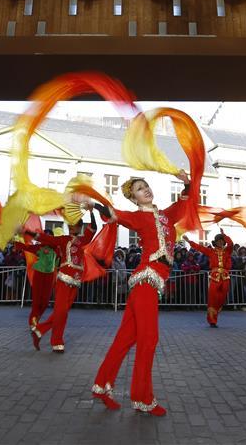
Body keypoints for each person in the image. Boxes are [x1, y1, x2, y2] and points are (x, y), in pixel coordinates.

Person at [91, 171, 190, 416]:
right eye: (139, 189)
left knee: (126, 339)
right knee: (149, 339)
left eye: (146, 186)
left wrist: (186, 181)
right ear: (134, 198)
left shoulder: (166, 215)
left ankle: (102, 386)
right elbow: (114, 214)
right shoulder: (137, 217)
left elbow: (186, 200)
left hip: (150, 284)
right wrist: (92, 203)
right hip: (146, 280)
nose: (145, 189)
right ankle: (143, 397)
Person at [29, 209, 98, 352]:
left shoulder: (83, 240)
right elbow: (42, 238)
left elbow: (94, 228)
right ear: (69, 227)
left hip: (76, 280)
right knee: (60, 311)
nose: (74, 228)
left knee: (63, 312)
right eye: (71, 225)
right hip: (63, 279)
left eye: (76, 225)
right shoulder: (63, 240)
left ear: (80, 227)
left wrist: (91, 212)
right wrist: (25, 231)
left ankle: (41, 331)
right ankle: (56, 340)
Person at [183, 230, 234, 327]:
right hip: (214, 277)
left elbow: (231, 244)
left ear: (224, 242)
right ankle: (212, 320)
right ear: (215, 242)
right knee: (212, 298)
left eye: (222, 240)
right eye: (218, 240)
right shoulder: (211, 251)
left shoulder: (227, 251)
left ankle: (216, 314)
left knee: (221, 299)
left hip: (225, 277)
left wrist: (224, 235)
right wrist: (189, 241)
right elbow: (199, 247)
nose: (220, 242)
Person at [14, 235, 58, 340]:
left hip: (50, 275)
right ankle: (32, 323)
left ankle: (36, 320)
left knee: (45, 302)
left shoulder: (57, 248)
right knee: (37, 301)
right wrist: (15, 241)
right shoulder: (39, 248)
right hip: (38, 274)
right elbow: (27, 247)